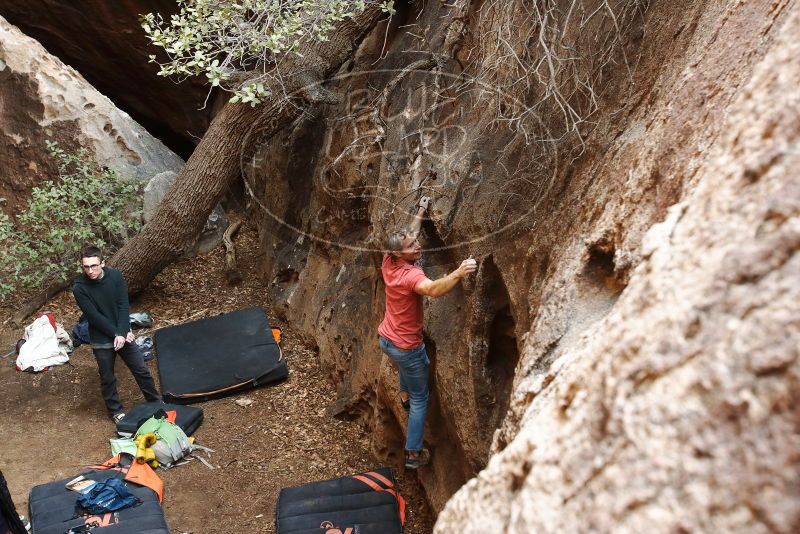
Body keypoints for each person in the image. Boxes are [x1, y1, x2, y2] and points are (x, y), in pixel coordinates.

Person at [378, 197, 477, 469]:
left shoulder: (389, 260)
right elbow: (433, 290)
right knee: (422, 399)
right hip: (407, 346)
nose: (417, 245)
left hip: (387, 340)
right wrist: (458, 272)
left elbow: (408, 236)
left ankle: (404, 396)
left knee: (405, 370)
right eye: (412, 246)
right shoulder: (410, 277)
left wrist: (421, 211)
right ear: (400, 254)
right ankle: (413, 454)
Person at [72, 245, 161, 423]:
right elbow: (94, 316)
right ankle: (115, 410)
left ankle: (156, 401)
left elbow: (123, 304)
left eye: (94, 266)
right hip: (101, 338)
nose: (90, 271)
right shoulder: (79, 287)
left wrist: (123, 331)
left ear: (102, 263)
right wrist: (117, 334)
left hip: (122, 331)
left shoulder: (116, 277)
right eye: (86, 267)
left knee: (141, 369)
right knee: (107, 376)